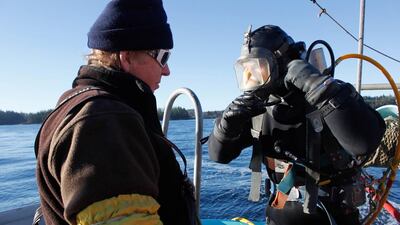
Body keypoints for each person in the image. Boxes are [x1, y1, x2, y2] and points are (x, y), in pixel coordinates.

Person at [34, 0, 196, 224]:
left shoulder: (86, 105)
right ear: (127, 56)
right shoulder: (103, 121)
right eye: (162, 57)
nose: (167, 71)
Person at [207, 25, 386, 225]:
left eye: (256, 68)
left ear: (282, 63)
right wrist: (226, 126)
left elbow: (363, 142)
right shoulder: (259, 109)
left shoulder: (328, 99)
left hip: (333, 215)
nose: (250, 79)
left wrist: (318, 87)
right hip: (279, 213)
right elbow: (218, 155)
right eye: (245, 71)